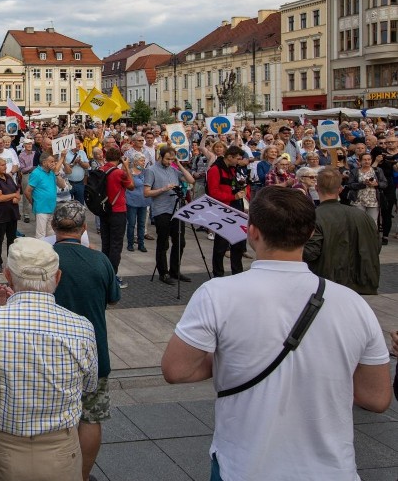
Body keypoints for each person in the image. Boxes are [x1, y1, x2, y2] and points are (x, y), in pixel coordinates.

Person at [161, 185, 391, 479]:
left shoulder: (217, 293)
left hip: (244, 466)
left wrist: (235, 358)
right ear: (310, 234)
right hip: (332, 469)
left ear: (252, 231)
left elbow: (176, 370)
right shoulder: (353, 303)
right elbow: (376, 398)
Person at [0, 237, 97, 481]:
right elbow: (89, 386)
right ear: (58, 277)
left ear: (8, 275)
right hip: (61, 452)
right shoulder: (81, 327)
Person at [50, 201, 118, 481]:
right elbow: (112, 299)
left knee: (52, 418)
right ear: (84, 229)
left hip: (52, 353)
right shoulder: (100, 260)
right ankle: (82, 475)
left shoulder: (45, 260)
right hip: (93, 352)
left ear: (53, 227)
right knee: (91, 417)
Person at [304, 167, 381, 296]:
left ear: (317, 188)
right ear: (340, 189)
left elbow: (311, 252)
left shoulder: (313, 217)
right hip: (362, 282)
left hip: (328, 283)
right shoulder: (363, 216)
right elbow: (375, 246)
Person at [144, 146, 195, 285]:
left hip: (176, 209)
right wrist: (163, 189)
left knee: (180, 241)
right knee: (163, 242)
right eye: (167, 159)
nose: (169, 161)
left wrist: (178, 164)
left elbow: (191, 180)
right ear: (161, 156)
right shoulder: (151, 170)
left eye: (171, 159)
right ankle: (163, 272)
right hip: (161, 210)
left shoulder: (173, 169)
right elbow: (146, 192)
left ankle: (175, 270)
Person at [206, 146, 247, 277]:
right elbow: (213, 192)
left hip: (236, 208)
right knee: (221, 246)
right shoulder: (215, 169)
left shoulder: (233, 169)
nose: (239, 161)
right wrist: (232, 197)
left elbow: (233, 185)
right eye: (238, 159)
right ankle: (218, 274)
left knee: (238, 244)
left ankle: (237, 273)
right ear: (230, 157)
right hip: (222, 210)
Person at [98, 147, 134, 288]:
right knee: (116, 245)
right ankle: (112, 276)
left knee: (106, 243)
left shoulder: (101, 169)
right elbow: (131, 185)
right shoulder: (118, 172)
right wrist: (126, 167)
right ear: (119, 158)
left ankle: (104, 272)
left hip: (103, 209)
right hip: (117, 210)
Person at [0, 156, 21, 274]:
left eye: (5, 164)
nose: (5, 166)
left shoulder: (8, 177)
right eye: (2, 165)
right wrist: (13, 196)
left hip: (12, 213)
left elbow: (17, 190)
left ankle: (11, 263)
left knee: (12, 239)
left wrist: (17, 197)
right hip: (0, 214)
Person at [25, 151, 66, 239]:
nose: (54, 163)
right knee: (41, 235)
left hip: (52, 207)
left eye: (54, 161)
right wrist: (34, 203)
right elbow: (27, 191)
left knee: (51, 234)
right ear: (44, 162)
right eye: (51, 161)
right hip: (41, 208)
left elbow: (62, 185)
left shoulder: (51, 172)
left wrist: (57, 173)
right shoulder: (36, 173)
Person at [370, 135, 398, 244]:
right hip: (374, 188)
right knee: (375, 212)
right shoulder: (372, 162)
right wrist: (376, 161)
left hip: (388, 188)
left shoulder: (388, 159)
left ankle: (385, 236)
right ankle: (374, 233)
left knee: (387, 212)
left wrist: (392, 162)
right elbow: (369, 172)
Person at [349, 153, 386, 225]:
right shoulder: (355, 171)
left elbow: (385, 183)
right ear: (360, 161)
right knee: (359, 222)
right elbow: (350, 185)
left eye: (369, 159)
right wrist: (362, 184)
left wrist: (377, 184)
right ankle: (361, 236)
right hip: (358, 200)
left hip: (373, 201)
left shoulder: (377, 170)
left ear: (371, 160)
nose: (367, 161)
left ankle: (372, 236)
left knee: (372, 222)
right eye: (364, 160)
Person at [126, 154, 150, 253]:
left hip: (143, 201)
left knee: (141, 224)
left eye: (144, 160)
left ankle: (141, 244)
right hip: (132, 201)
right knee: (131, 223)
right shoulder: (130, 172)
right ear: (135, 162)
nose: (143, 162)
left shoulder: (146, 172)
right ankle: (130, 243)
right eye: (141, 160)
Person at [64, 137, 90, 204]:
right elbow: (64, 169)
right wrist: (74, 163)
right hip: (68, 183)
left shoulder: (82, 152)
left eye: (80, 143)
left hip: (80, 184)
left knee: (80, 205)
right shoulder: (65, 154)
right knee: (67, 205)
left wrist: (80, 162)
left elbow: (87, 166)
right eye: (77, 143)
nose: (79, 145)